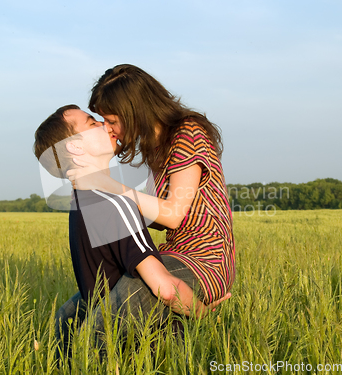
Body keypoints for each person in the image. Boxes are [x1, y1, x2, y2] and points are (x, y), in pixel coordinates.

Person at [33, 104, 227, 360]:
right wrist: (205, 313)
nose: (106, 125)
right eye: (93, 124)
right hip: (143, 350)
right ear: (75, 147)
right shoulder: (114, 203)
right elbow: (165, 289)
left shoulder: (79, 203)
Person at [67, 64, 235, 307]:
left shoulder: (187, 133)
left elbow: (173, 215)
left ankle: (199, 319)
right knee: (74, 310)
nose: (107, 128)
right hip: (173, 253)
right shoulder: (156, 149)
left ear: (134, 112)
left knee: (121, 301)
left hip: (206, 261)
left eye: (112, 120)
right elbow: (155, 217)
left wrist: (105, 183)